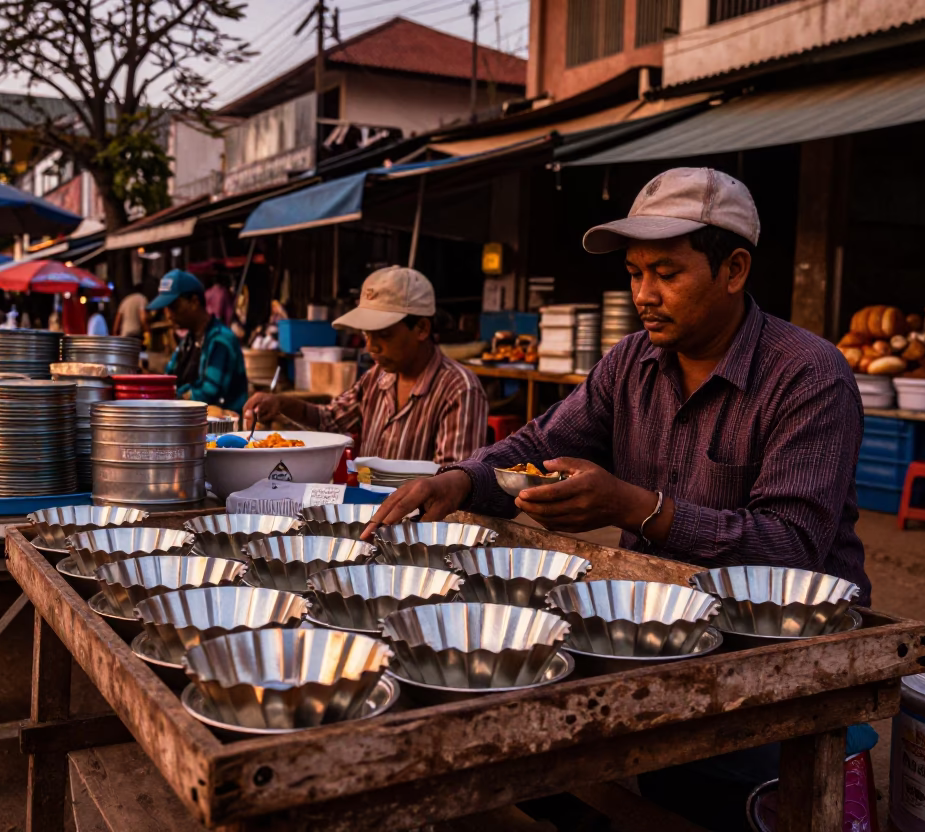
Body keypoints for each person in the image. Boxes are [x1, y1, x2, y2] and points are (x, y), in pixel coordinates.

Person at [367, 169, 871, 829]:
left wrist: (635, 508)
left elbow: (791, 549)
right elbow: (538, 444)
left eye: (666, 271)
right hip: (658, 636)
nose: (644, 295)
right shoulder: (629, 363)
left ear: (735, 268)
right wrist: (459, 479)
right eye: (634, 274)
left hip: (783, 655)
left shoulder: (809, 376)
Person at [244, 267, 488, 466]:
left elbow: (454, 482)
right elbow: (330, 420)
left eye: (384, 335)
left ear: (422, 329)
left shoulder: (460, 390)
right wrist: (281, 403)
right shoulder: (377, 377)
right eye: (367, 335)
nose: (371, 347)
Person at [148, 269, 248, 410]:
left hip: (223, 429)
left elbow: (208, 393)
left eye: (174, 307)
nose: (169, 315)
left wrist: (169, 396)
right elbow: (169, 377)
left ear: (194, 302)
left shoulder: (221, 340)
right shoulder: (188, 341)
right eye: (166, 309)